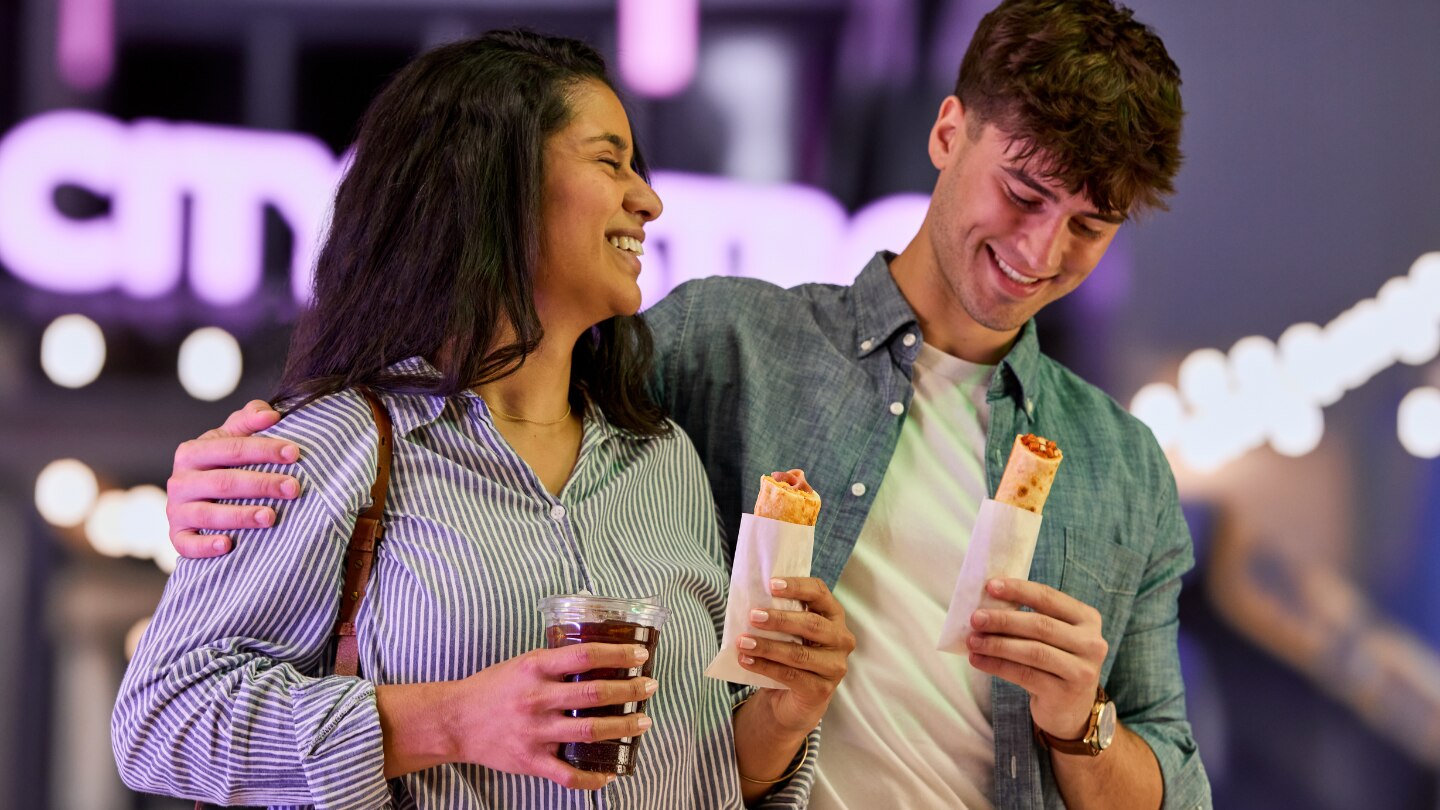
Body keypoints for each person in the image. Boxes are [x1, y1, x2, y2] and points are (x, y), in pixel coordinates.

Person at [163, 1, 1212, 807]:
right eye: (1025, 193)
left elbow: (1172, 780)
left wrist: (1083, 725)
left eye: (1089, 223)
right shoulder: (721, 346)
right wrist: (248, 463)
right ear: (948, 132)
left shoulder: (1120, 465)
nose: (1040, 248)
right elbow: (487, 387)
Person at [113, 30, 854, 810]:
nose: (649, 199)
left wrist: (782, 714)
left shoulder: (662, 457)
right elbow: (160, 721)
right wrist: (455, 720)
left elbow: (697, 779)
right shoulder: (334, 445)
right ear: (494, 183)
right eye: (610, 161)